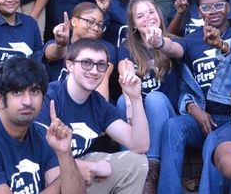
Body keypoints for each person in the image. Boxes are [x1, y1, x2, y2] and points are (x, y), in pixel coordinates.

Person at [159, 0, 231, 194]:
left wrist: (222, 45)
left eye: (218, 6)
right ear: (198, 12)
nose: (212, 12)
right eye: (206, 7)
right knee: (173, 126)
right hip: (201, 118)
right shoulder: (191, 40)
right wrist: (194, 110)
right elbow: (174, 50)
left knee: (213, 141)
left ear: (228, 7)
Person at [0, 57, 85, 193]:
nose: (28, 101)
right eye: (17, 92)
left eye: (34, 91)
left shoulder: (44, 135)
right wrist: (58, 184)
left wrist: (64, 154)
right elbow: (60, 184)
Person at [37, 38, 150, 193]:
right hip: (46, 177)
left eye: (101, 65)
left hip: (78, 172)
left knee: (137, 162)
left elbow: (140, 145)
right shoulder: (49, 97)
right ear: (69, 65)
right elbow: (41, 159)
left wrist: (135, 98)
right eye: (87, 63)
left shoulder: (98, 104)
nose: (94, 71)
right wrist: (93, 167)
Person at [117, 0, 185, 192]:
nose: (147, 18)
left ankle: (151, 170)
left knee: (155, 99)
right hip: (139, 118)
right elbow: (125, 68)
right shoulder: (127, 48)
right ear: (134, 25)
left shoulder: (173, 42)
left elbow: (177, 52)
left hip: (167, 115)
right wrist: (130, 103)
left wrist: (159, 42)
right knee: (122, 101)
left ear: (159, 15)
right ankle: (130, 165)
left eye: (151, 12)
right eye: (140, 16)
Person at [44, 2, 115, 99]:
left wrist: (99, 113)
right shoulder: (58, 43)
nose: (96, 28)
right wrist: (61, 44)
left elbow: (102, 80)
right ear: (74, 21)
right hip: (54, 100)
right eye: (90, 21)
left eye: (100, 25)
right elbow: (52, 54)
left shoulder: (106, 48)